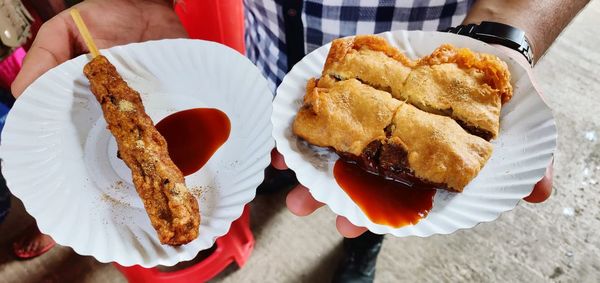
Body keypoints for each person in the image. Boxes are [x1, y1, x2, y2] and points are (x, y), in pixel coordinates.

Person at [9, 0, 587, 281]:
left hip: (428, 28)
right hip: (241, 44)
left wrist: (502, 35)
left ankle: (364, 248)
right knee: (267, 170)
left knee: (369, 212)